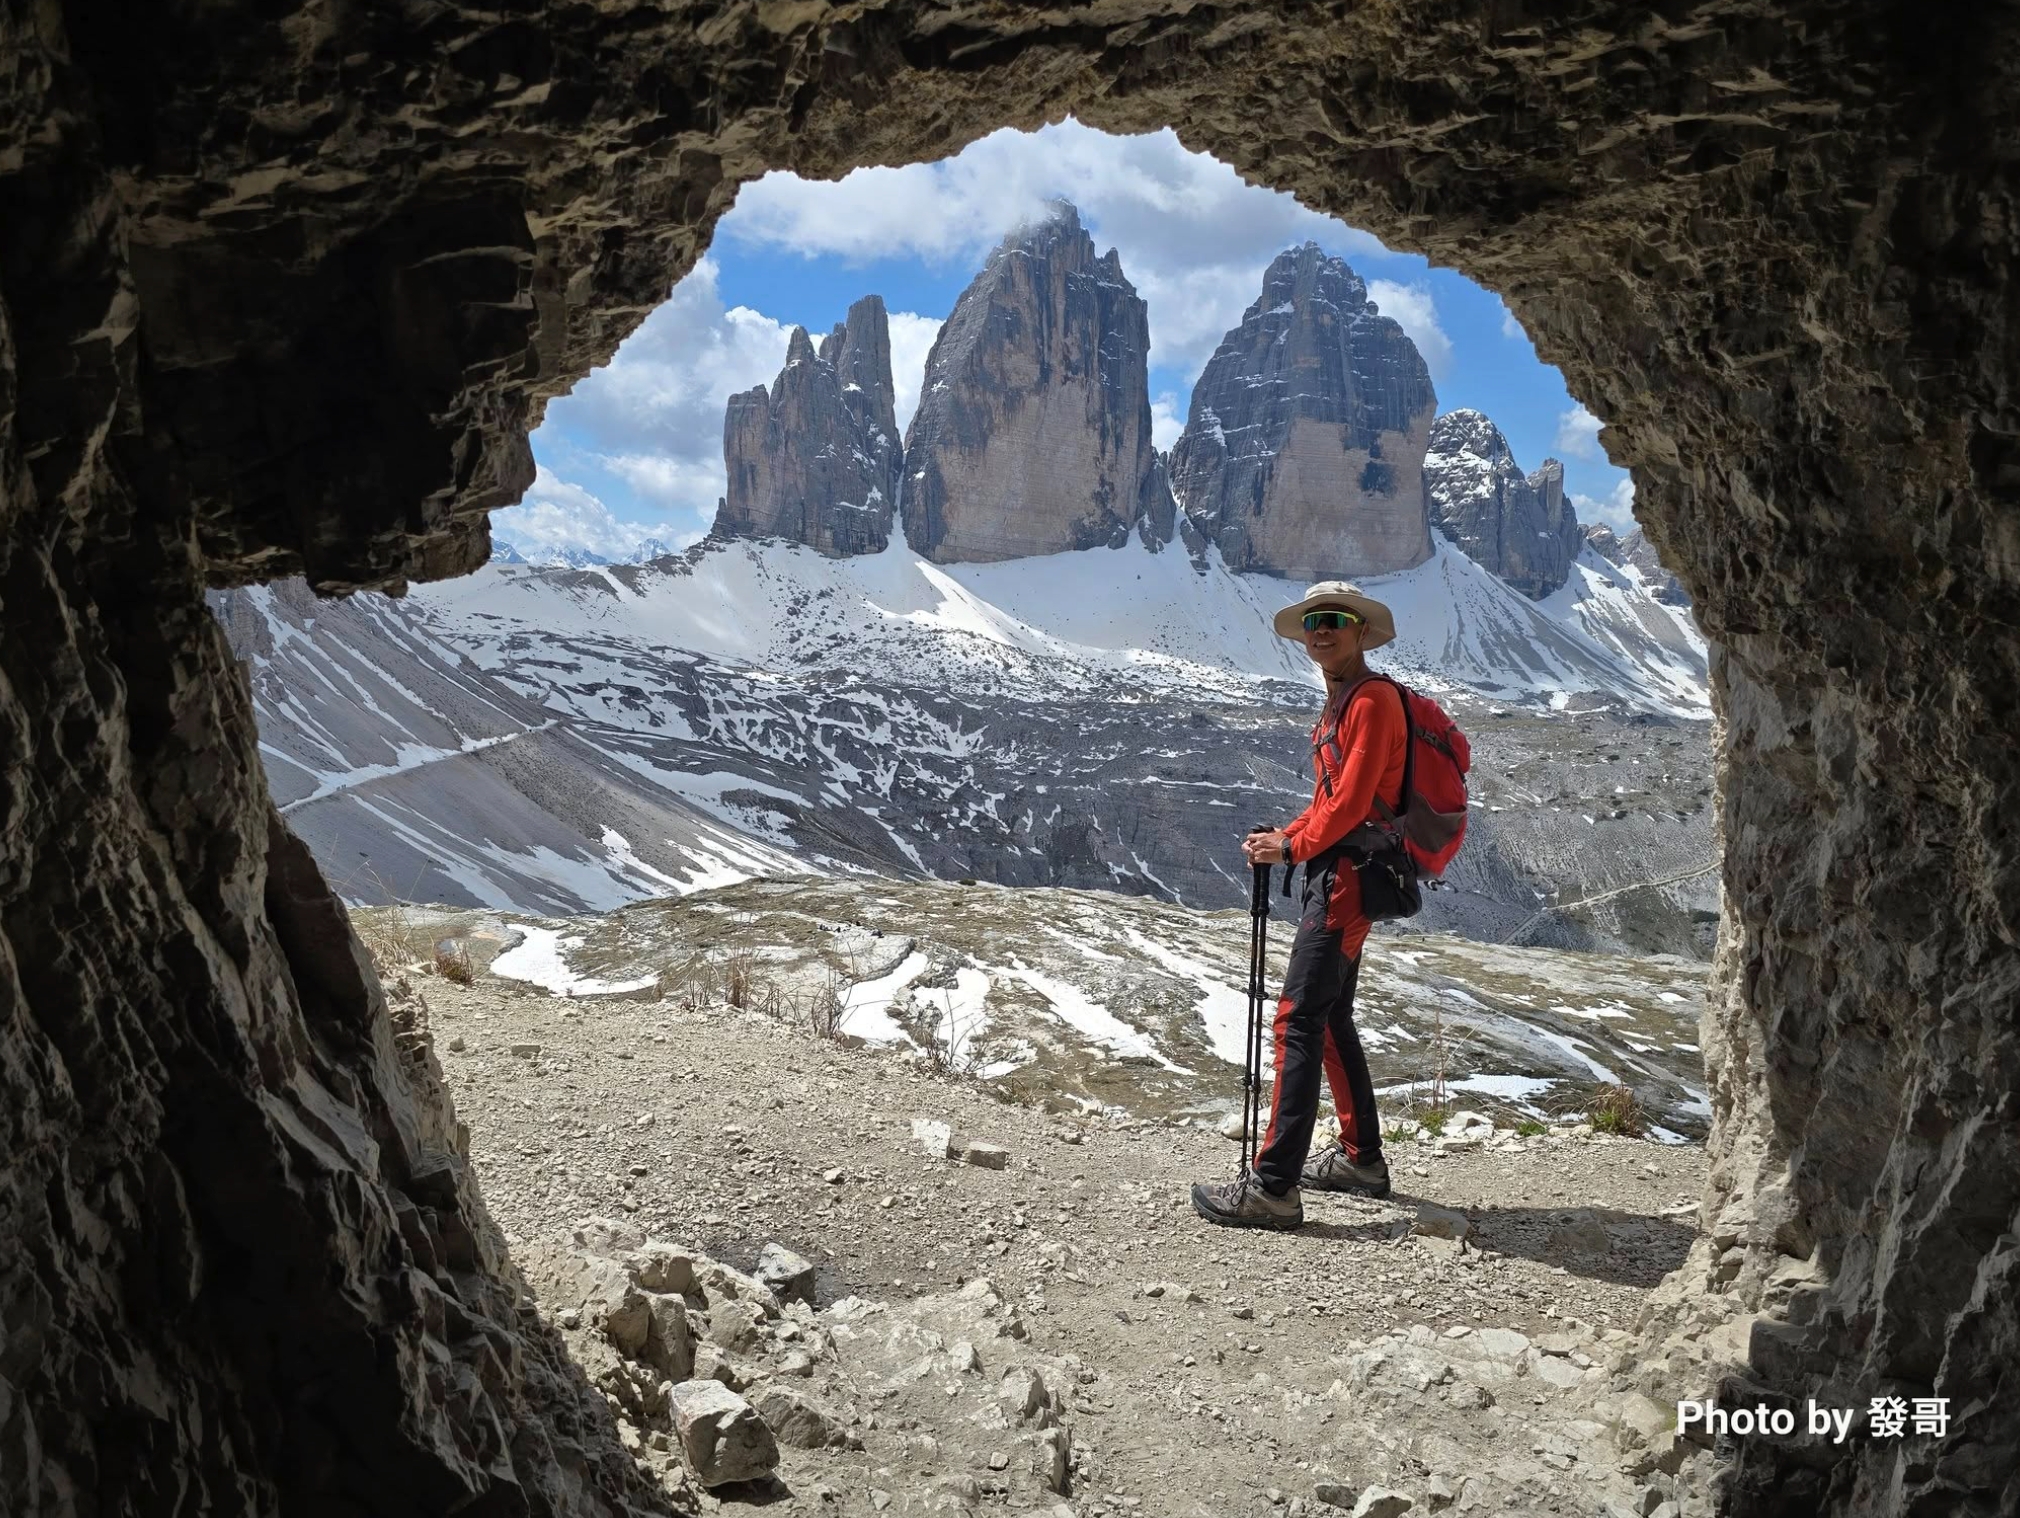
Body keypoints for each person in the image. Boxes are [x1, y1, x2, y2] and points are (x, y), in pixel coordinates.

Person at [1191, 580, 1406, 1230]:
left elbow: (1349, 805)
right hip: (1343, 870)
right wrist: (1285, 836)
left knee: (1297, 1018)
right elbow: (1331, 800)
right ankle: (1359, 1159)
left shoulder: (1370, 702)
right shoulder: (1343, 704)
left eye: (1335, 620)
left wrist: (1292, 850)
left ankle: (1274, 1186)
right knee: (1332, 1017)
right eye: (1313, 620)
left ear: (1360, 631)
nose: (1321, 630)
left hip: (1346, 877)